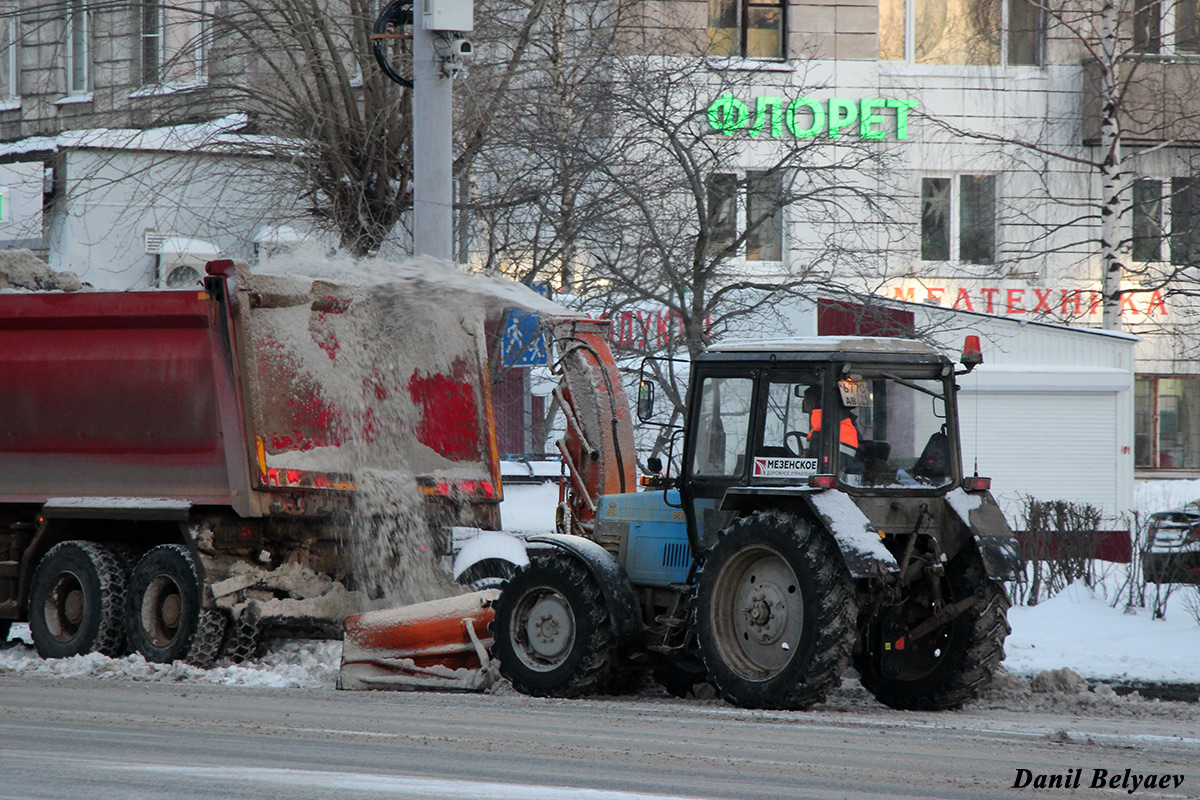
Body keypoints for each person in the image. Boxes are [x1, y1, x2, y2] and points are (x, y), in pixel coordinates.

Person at [802, 386, 859, 451]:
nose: (806, 407)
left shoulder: (817, 428)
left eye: (806, 403)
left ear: (812, 405)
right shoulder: (846, 425)